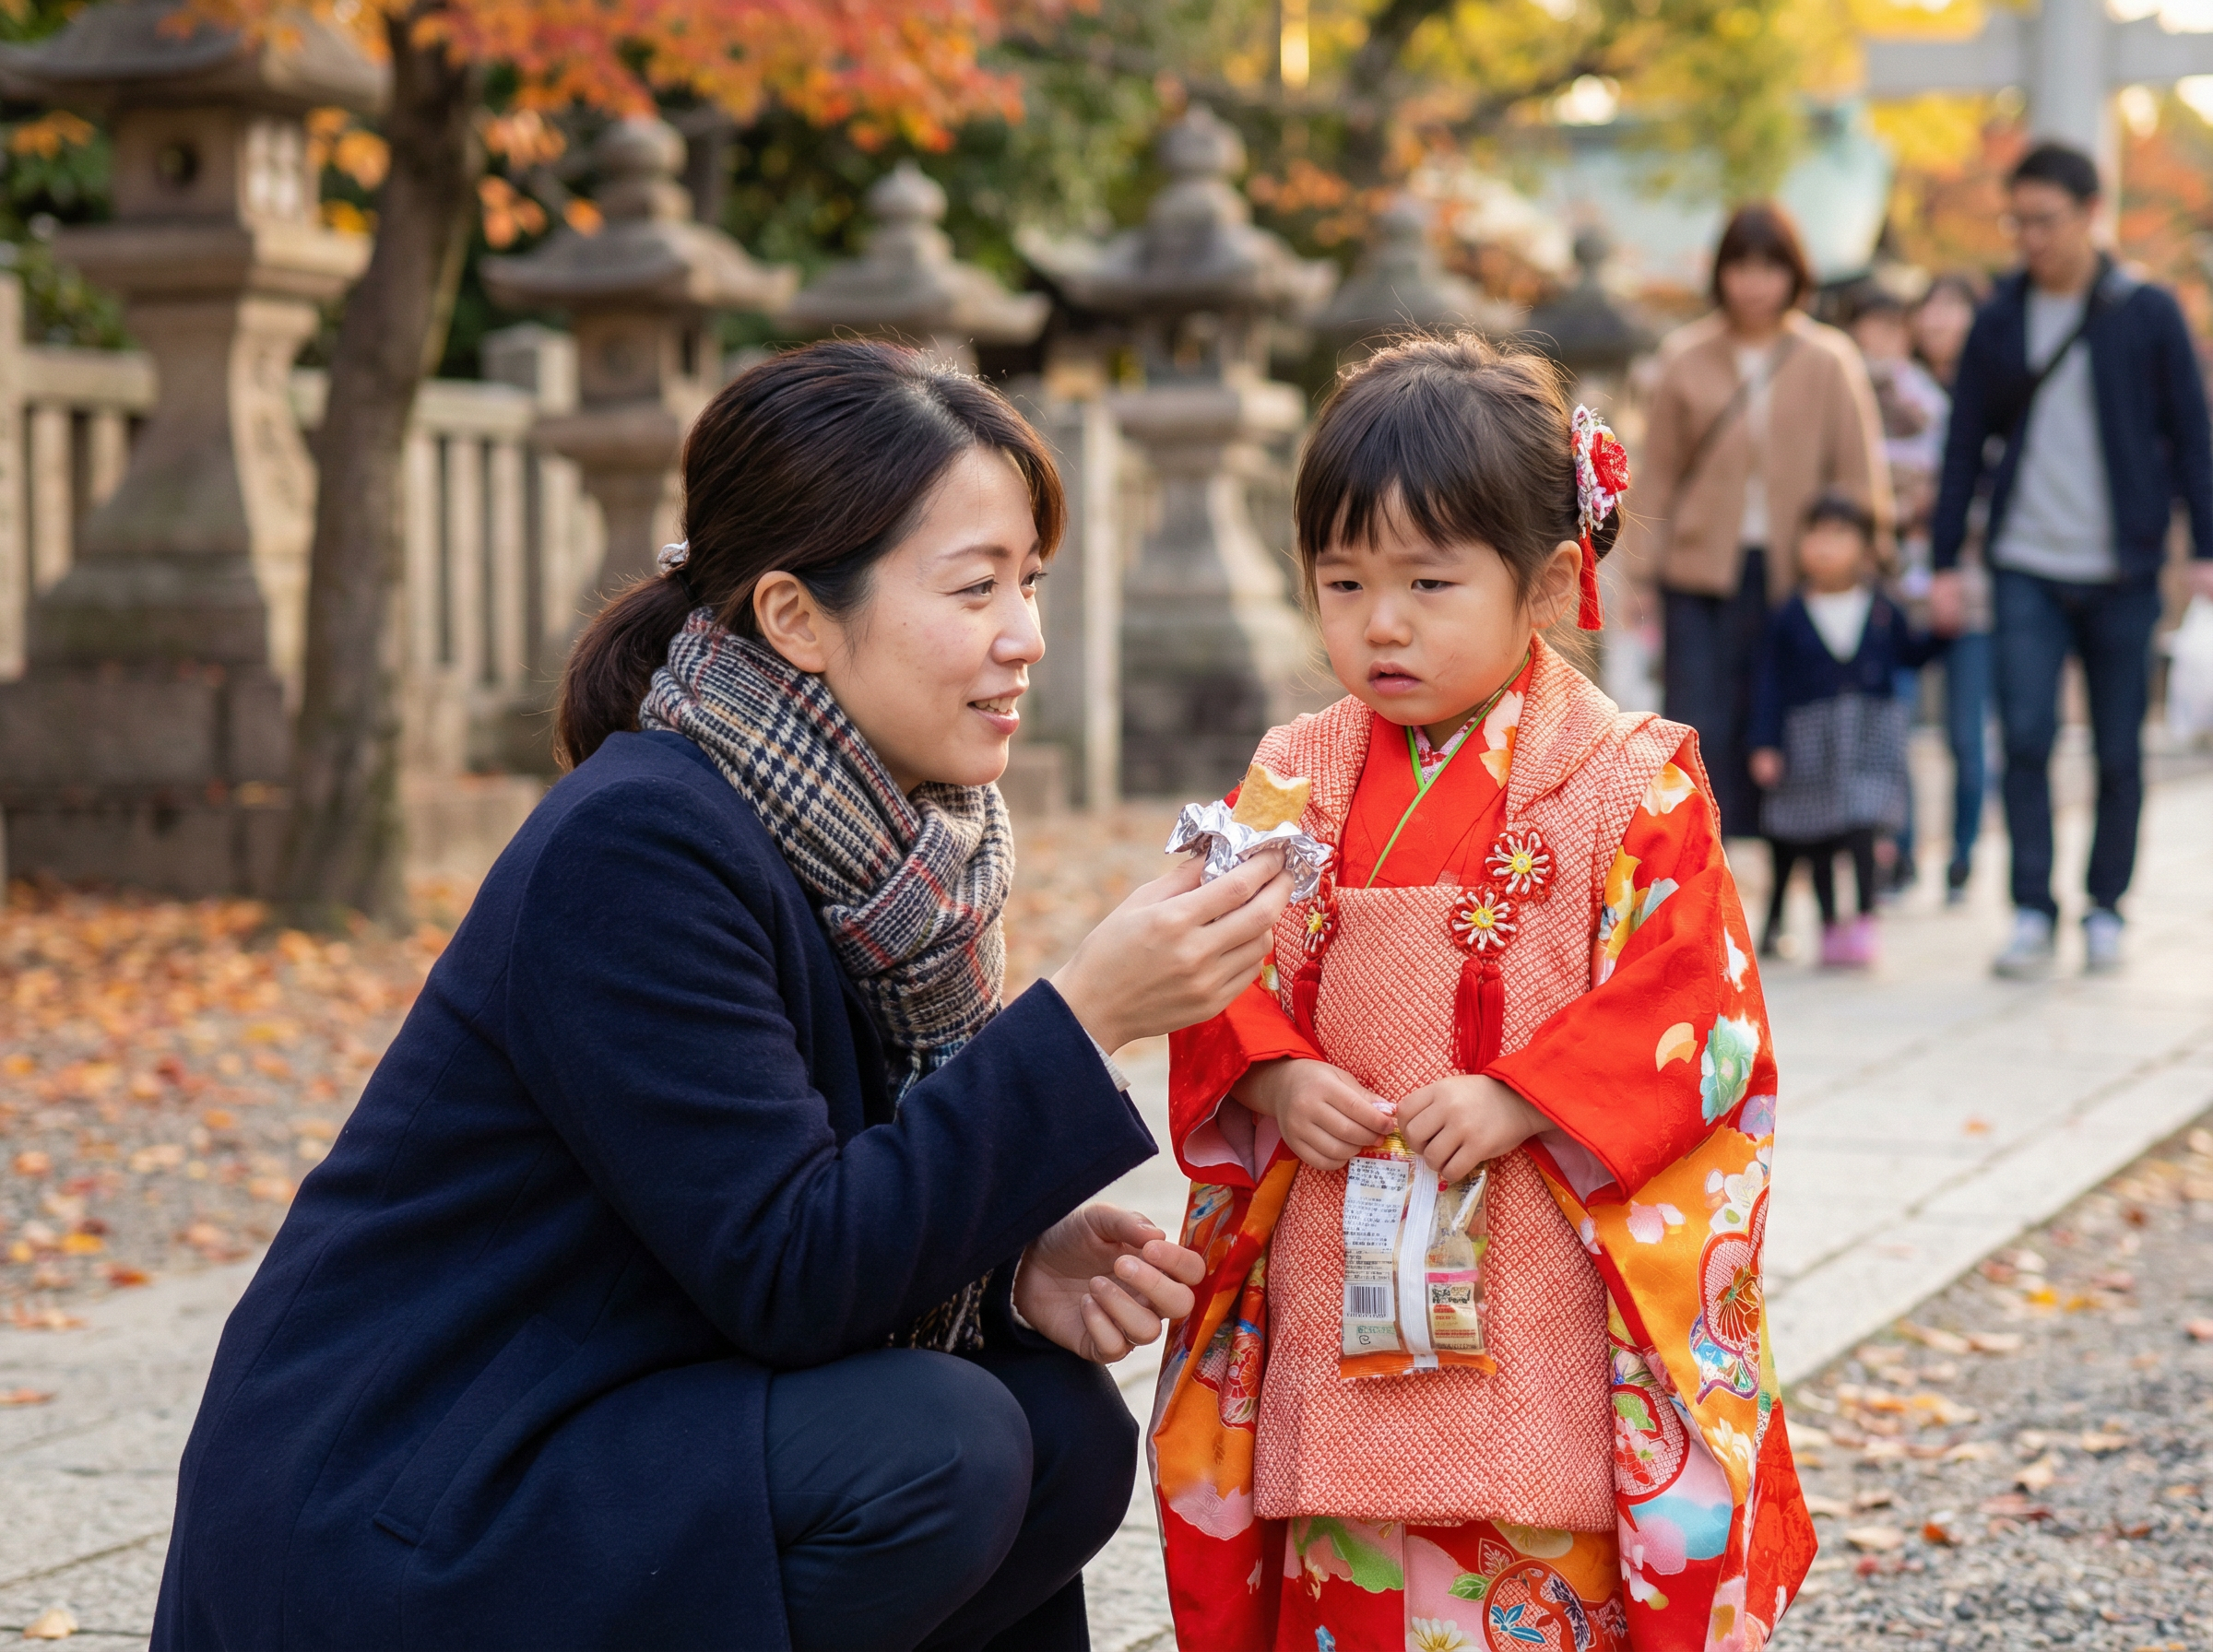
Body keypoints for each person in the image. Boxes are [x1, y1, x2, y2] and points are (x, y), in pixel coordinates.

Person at [151, 342, 1297, 1652]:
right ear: (795, 616)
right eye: (976, 586)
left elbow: (797, 1204)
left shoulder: (892, 848)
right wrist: (1084, 1019)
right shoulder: (638, 845)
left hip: (614, 1404)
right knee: (943, 1449)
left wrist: (1004, 1272)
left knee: (1060, 1429)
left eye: (1029, 582)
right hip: (410, 1496)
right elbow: (788, 1266)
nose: (1025, 637)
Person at [1146, 336, 1817, 1650]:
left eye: (1427, 582)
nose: (1378, 622)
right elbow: (1202, 948)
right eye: (1341, 582)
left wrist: (1526, 1094)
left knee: (1527, 1546)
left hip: (1536, 1265)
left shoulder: (1632, 779)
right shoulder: (1295, 769)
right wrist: (1273, 1068)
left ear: (1554, 583)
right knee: (1346, 1551)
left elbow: (1700, 1010)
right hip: (1341, 1244)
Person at [1929, 141, 2213, 977]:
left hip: (2124, 565)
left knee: (2119, 745)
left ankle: (2105, 907)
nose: (2030, 238)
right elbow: (1961, 446)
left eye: (2045, 220)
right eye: (2017, 221)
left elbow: (2193, 436)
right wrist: (1946, 560)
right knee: (2024, 735)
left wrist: (2205, 547)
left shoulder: (2147, 312)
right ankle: (2029, 907)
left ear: (2093, 212)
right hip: (2024, 560)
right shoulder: (1998, 317)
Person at [1623, 200, 1892, 840]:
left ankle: (1782, 877)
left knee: (1783, 725)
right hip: (1699, 572)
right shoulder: (1685, 356)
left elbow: (1857, 472)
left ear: (1794, 273)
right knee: (1698, 723)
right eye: (1740, 266)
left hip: (1798, 573)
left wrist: (1865, 560)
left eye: (1770, 267)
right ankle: (1700, 865)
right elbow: (1655, 472)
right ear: (1720, 272)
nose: (1754, 282)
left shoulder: (1828, 359)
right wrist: (1637, 573)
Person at [1750, 493, 1946, 966]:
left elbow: (1911, 654)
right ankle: (1830, 923)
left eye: (1839, 534)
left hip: (1869, 739)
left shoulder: (1882, 609)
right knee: (1815, 833)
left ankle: (1863, 920)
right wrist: (1765, 743)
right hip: (1808, 744)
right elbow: (1768, 684)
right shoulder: (1788, 616)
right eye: (1814, 533)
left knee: (1862, 823)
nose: (1824, 546)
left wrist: (1943, 629)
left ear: (1864, 547)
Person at [1849, 289, 1952, 896]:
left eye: (1889, 329)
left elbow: (1938, 480)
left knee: (1897, 723)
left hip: (1906, 587)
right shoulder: (1841, 387)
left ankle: (1902, 847)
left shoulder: (1923, 399)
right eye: (1870, 327)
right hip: (1856, 585)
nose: (1877, 342)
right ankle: (1880, 847)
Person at [1912, 271, 1998, 903]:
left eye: (1953, 306)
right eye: (1931, 307)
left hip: (1974, 588)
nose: (1939, 320)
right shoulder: (1895, 391)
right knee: (1890, 725)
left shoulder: (1999, 395)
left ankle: (1963, 856)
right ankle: (1902, 854)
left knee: (1966, 733)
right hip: (1904, 586)